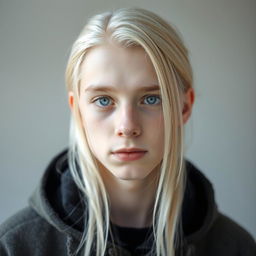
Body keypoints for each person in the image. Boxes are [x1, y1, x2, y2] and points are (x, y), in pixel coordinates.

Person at [0, 7, 255, 256]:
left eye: (151, 99)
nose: (127, 127)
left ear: (184, 107)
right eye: (103, 100)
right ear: (77, 110)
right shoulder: (13, 247)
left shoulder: (236, 247)